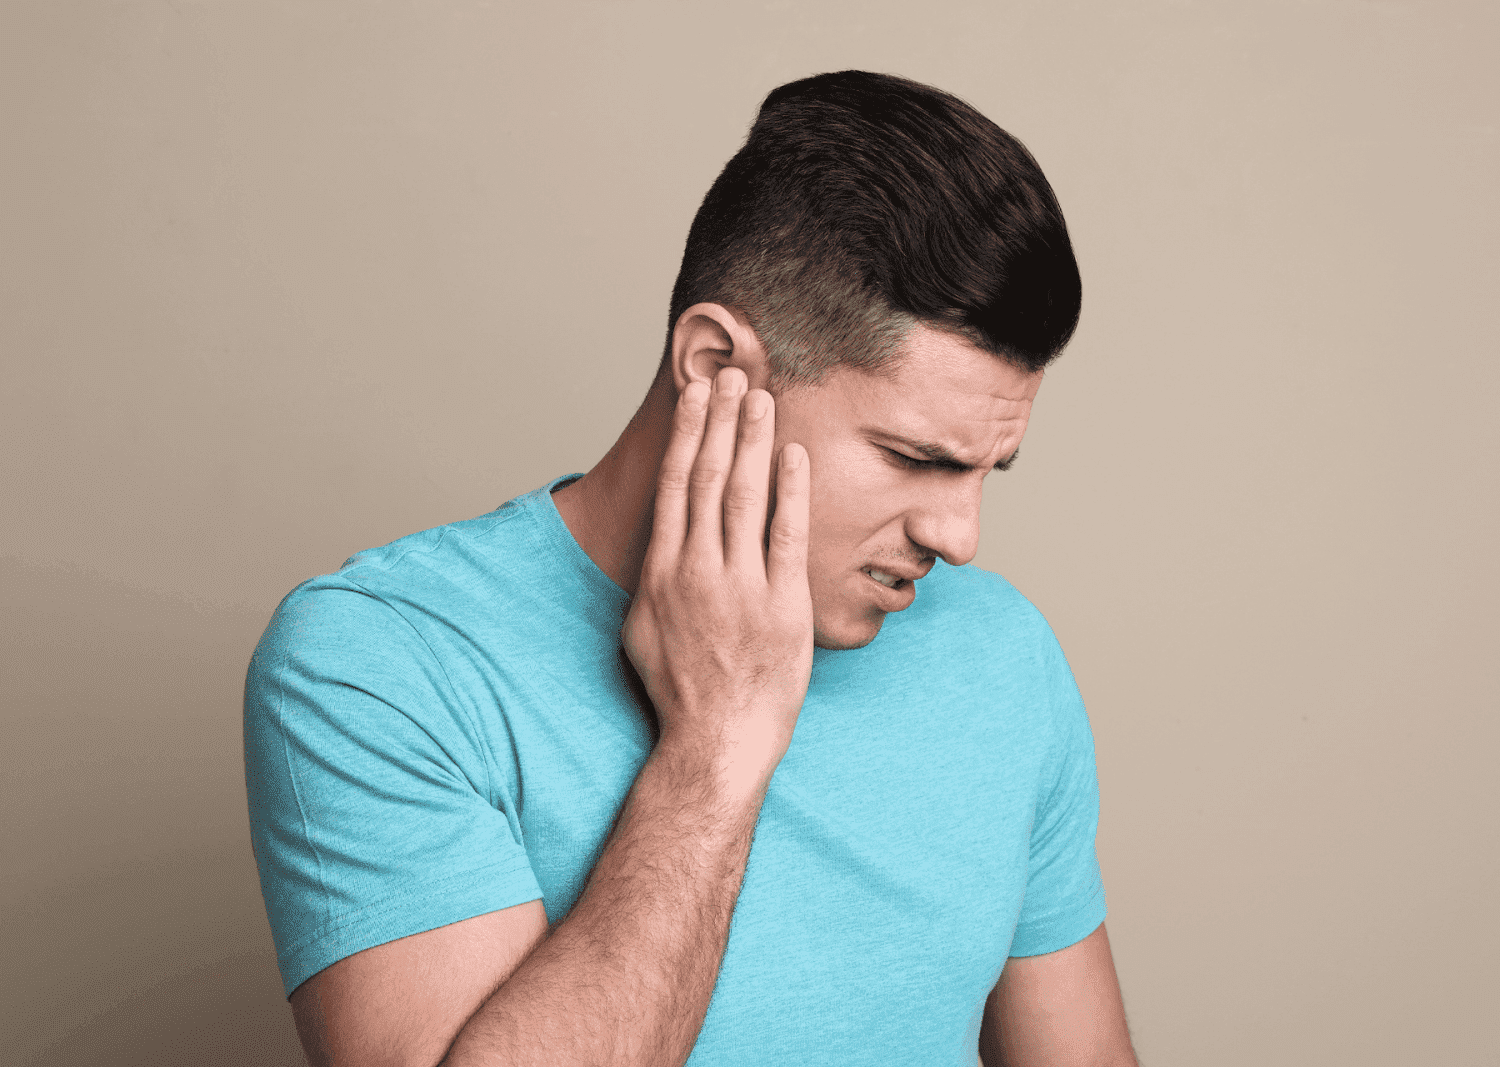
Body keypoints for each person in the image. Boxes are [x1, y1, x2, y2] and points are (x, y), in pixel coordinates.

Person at [245, 70, 1139, 1067]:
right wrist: (716, 746)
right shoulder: (385, 661)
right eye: (916, 457)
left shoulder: (1000, 653)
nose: (959, 533)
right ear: (715, 367)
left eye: (986, 470)